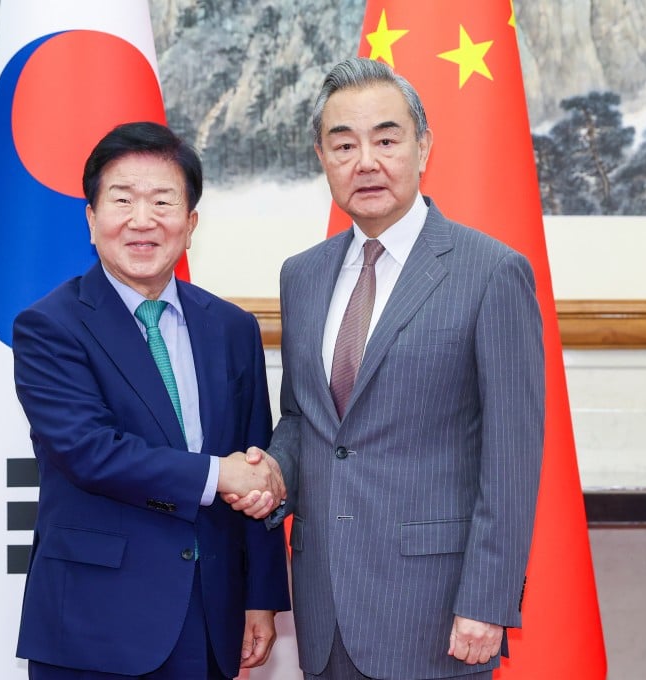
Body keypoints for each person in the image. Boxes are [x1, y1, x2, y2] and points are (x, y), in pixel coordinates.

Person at [227, 57, 545, 679]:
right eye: (343, 144)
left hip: (436, 611)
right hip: (324, 604)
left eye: (386, 139)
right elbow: (304, 415)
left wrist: (486, 600)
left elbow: (512, 456)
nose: (365, 161)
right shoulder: (304, 275)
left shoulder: (491, 273)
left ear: (423, 146)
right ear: (322, 157)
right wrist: (275, 473)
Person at [13, 121, 290, 679]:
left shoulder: (232, 328)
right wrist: (220, 476)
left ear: (189, 226)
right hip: (95, 623)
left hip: (210, 614)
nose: (142, 220)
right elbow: (90, 451)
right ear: (92, 220)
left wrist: (261, 595)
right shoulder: (50, 326)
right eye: (122, 201)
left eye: (163, 201)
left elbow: (254, 457)